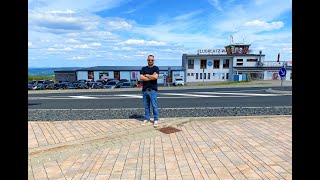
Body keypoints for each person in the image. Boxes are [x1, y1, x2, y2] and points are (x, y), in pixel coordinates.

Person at [140, 55, 160, 127]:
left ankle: (156, 119)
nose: (150, 61)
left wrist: (146, 75)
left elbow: (155, 77)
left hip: (153, 90)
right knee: (146, 106)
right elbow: (141, 78)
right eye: (149, 60)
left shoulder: (156, 68)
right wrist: (151, 77)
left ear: (153, 61)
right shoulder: (143, 68)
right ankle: (147, 118)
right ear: (147, 60)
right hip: (145, 90)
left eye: (152, 60)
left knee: (154, 106)